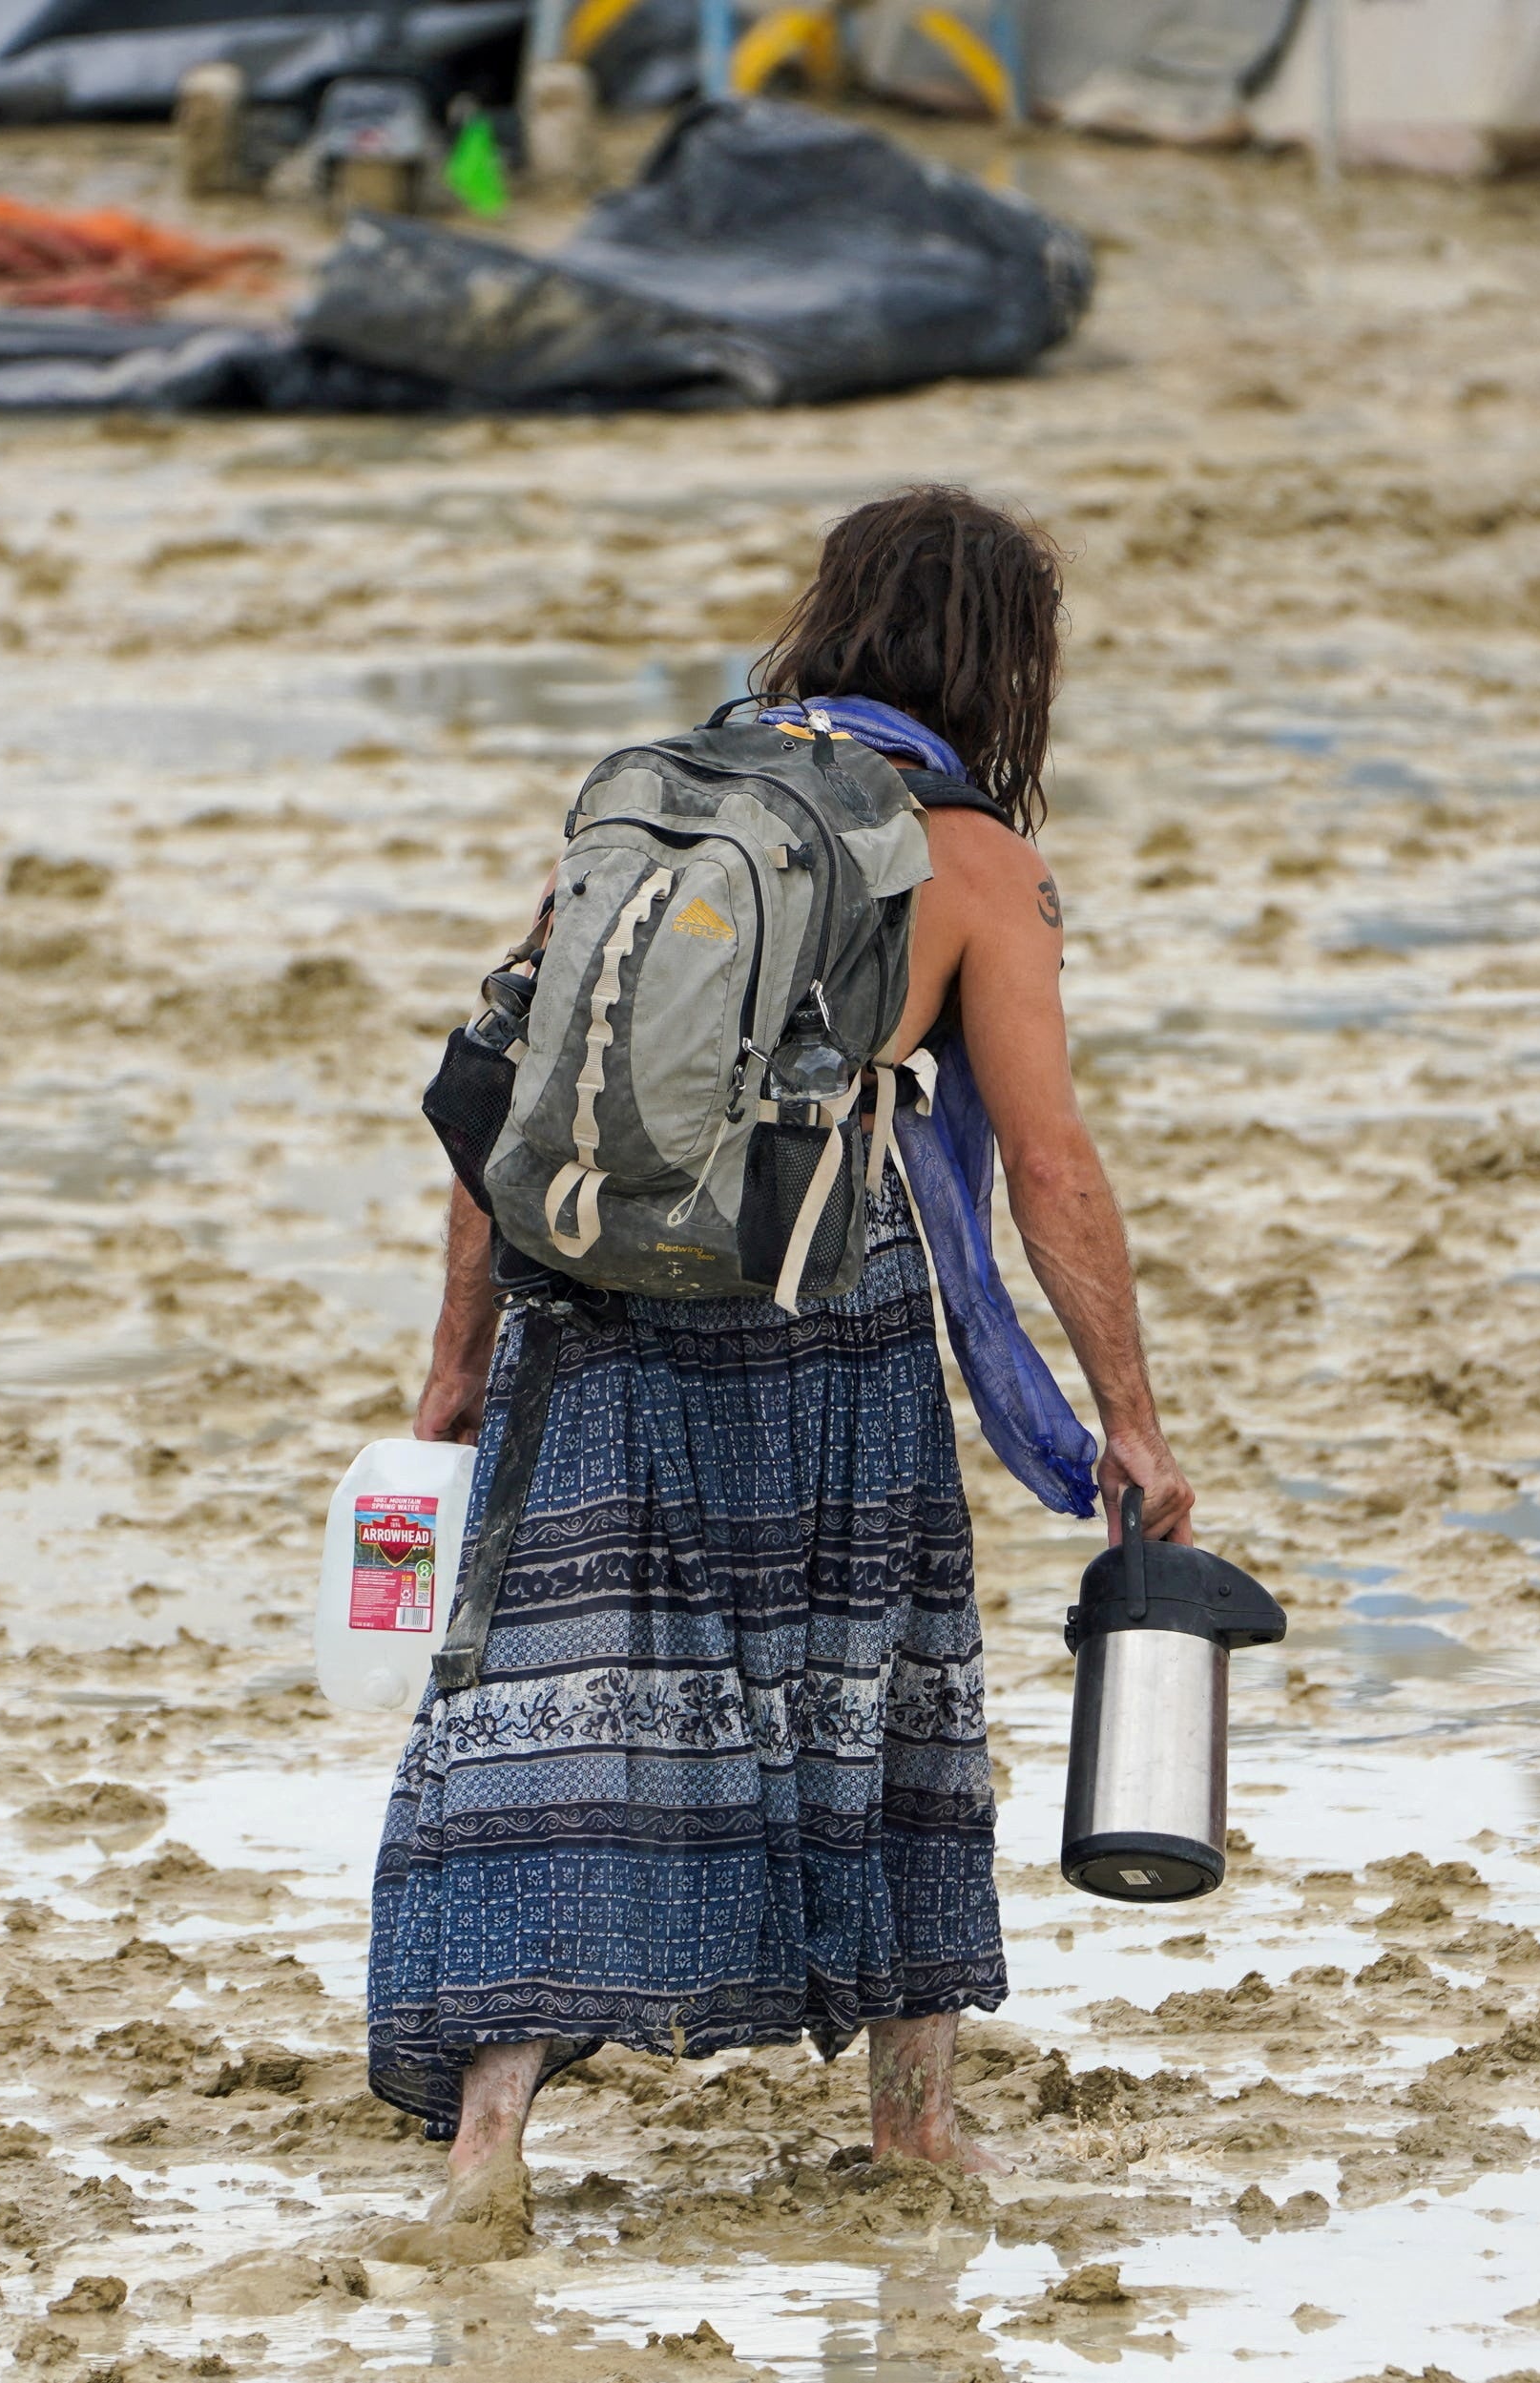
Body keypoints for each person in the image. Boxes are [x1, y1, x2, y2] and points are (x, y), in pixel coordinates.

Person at [365, 486, 1195, 2262]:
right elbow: (1047, 1165)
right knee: (877, 1679)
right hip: (829, 1307)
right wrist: (1126, 1415)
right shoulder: (968, 860)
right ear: (1003, 664)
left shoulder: (650, 796)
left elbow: (503, 1093)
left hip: (587, 1305)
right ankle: (916, 2126)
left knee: (570, 1694)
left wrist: (452, 1365)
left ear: (831, 615)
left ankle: (486, 2153)